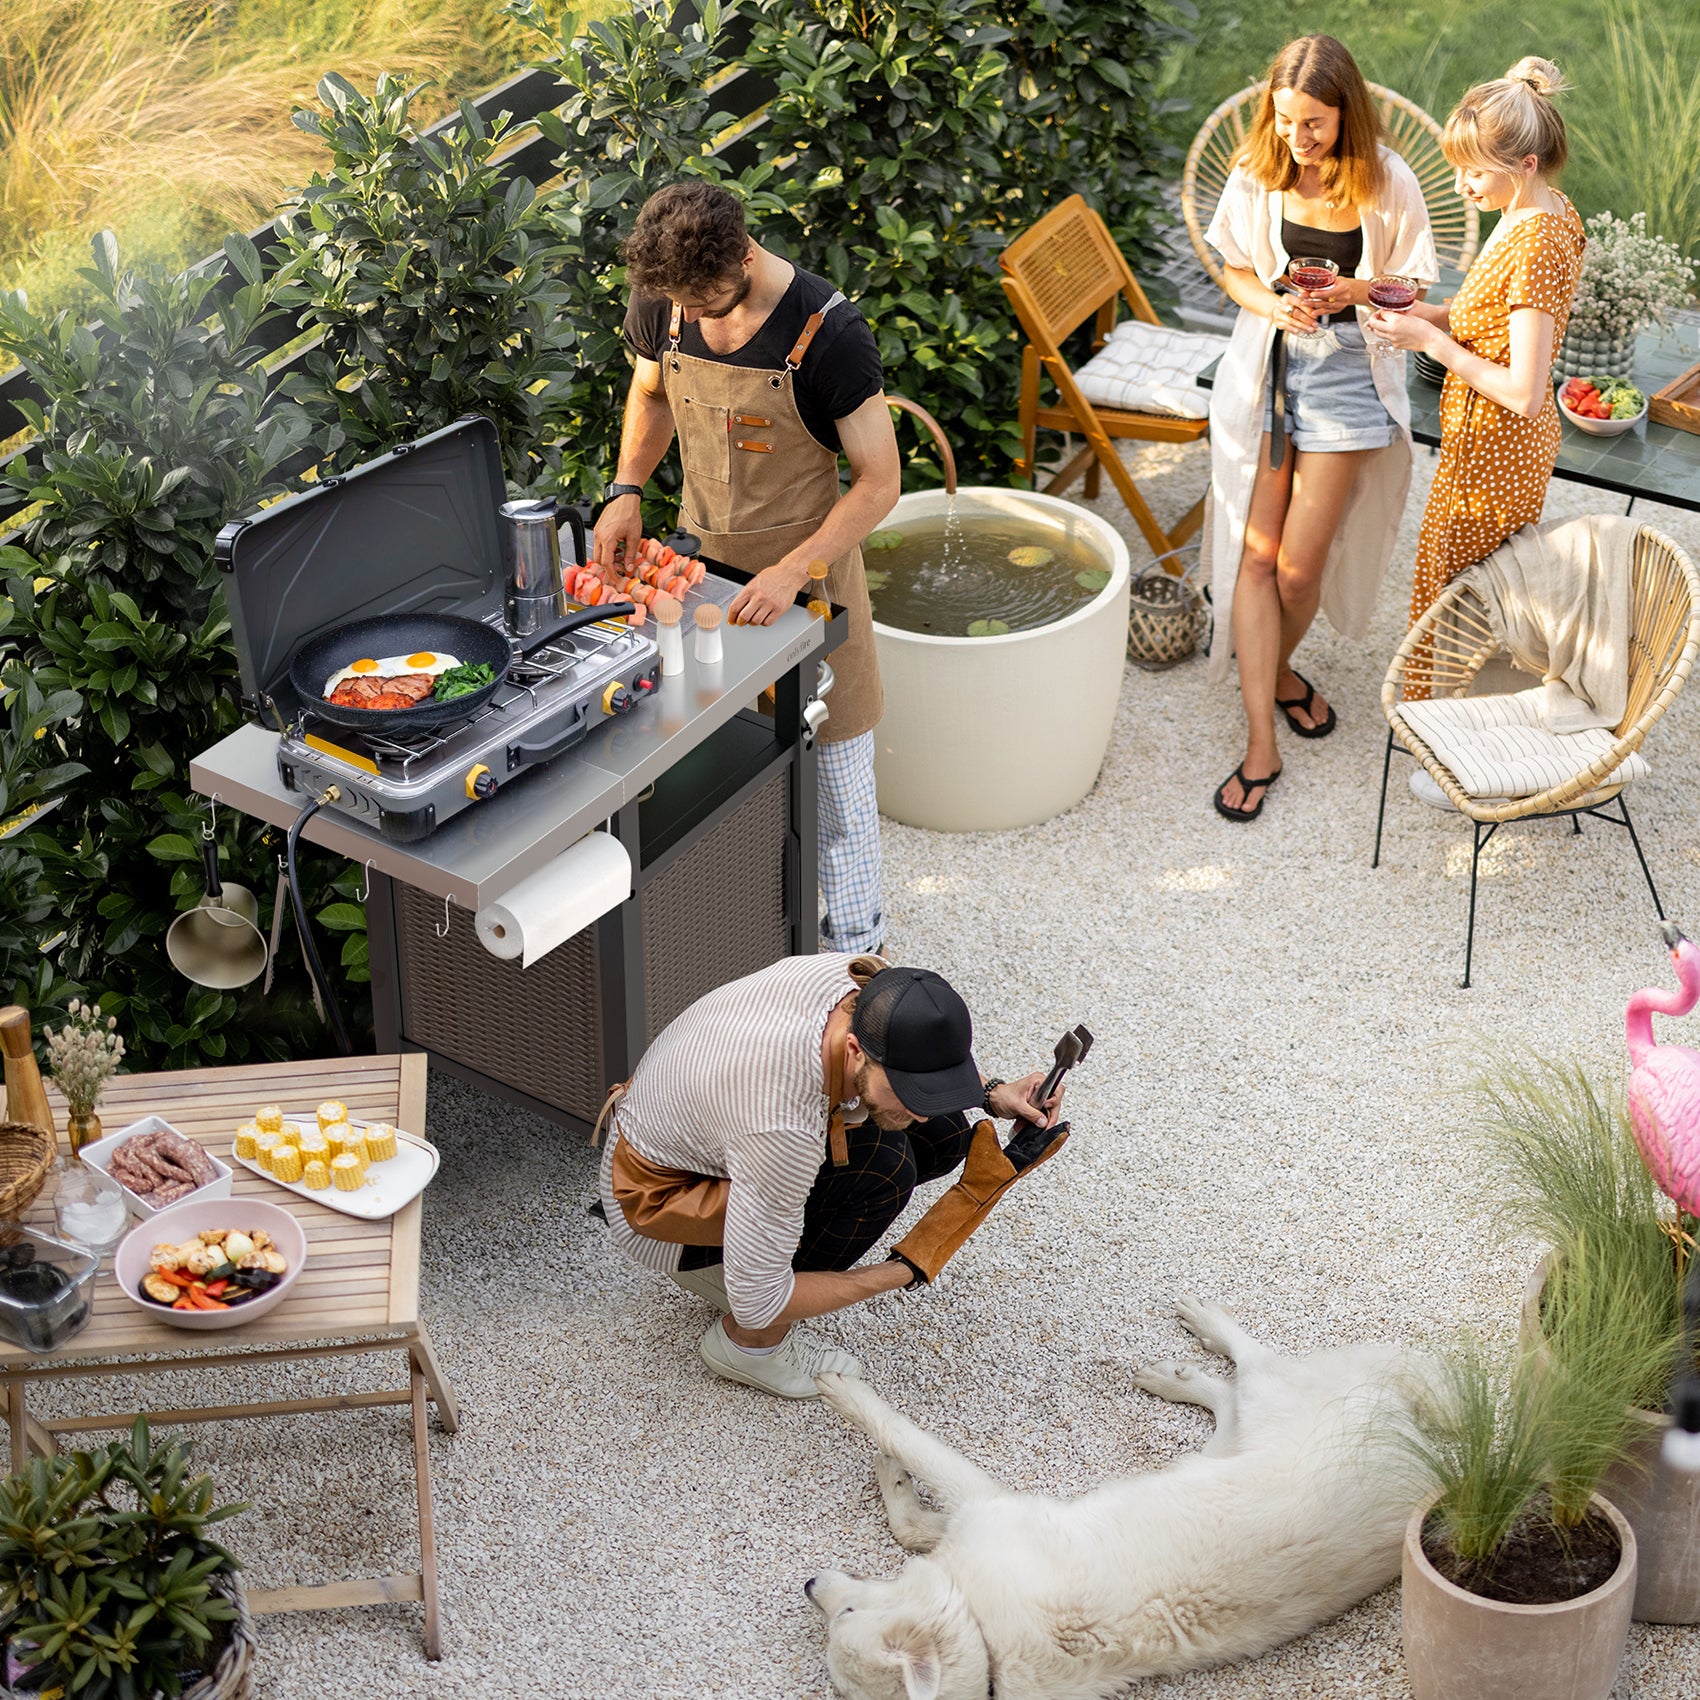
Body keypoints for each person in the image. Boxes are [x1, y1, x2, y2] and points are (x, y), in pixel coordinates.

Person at [595, 183, 900, 953]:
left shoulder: (828, 333)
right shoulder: (665, 305)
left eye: (704, 300)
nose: (689, 317)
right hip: (702, 588)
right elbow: (652, 393)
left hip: (813, 593)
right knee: (727, 776)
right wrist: (627, 489)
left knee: (837, 784)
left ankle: (856, 958)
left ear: (745, 255)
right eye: (677, 303)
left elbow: (880, 481)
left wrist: (795, 569)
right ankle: (750, 938)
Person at [596, 954, 1065, 1400]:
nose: (920, 1110)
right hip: (659, 1203)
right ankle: (747, 1348)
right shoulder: (781, 1128)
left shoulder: (864, 980)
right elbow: (758, 1301)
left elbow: (917, 1076)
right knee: (885, 1175)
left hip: (689, 1127)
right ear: (856, 1049)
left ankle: (760, 1253)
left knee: (941, 1134)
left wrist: (990, 1094)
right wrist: (904, 1268)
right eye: (909, 1092)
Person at [1203, 34, 1437, 821]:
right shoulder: (1261, 170)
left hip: (1348, 376)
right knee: (1255, 553)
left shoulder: (1389, 182)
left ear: (1347, 114)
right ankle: (1260, 737)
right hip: (1269, 366)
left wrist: (1355, 289)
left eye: (1313, 124)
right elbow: (1233, 263)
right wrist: (1271, 303)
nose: (1296, 140)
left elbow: (1415, 283)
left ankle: (1273, 667)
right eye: (1284, 120)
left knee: (1298, 570)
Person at [1368, 58, 1584, 700]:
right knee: (1463, 581)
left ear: (1524, 165)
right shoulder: (1532, 211)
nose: (1462, 185)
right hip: (1483, 441)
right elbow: (1495, 318)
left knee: (1465, 592)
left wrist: (1429, 339)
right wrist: (1432, 313)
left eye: (1474, 172)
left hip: (1498, 448)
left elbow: (1523, 390)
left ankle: (1452, 732)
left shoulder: (1537, 240)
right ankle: (1448, 715)